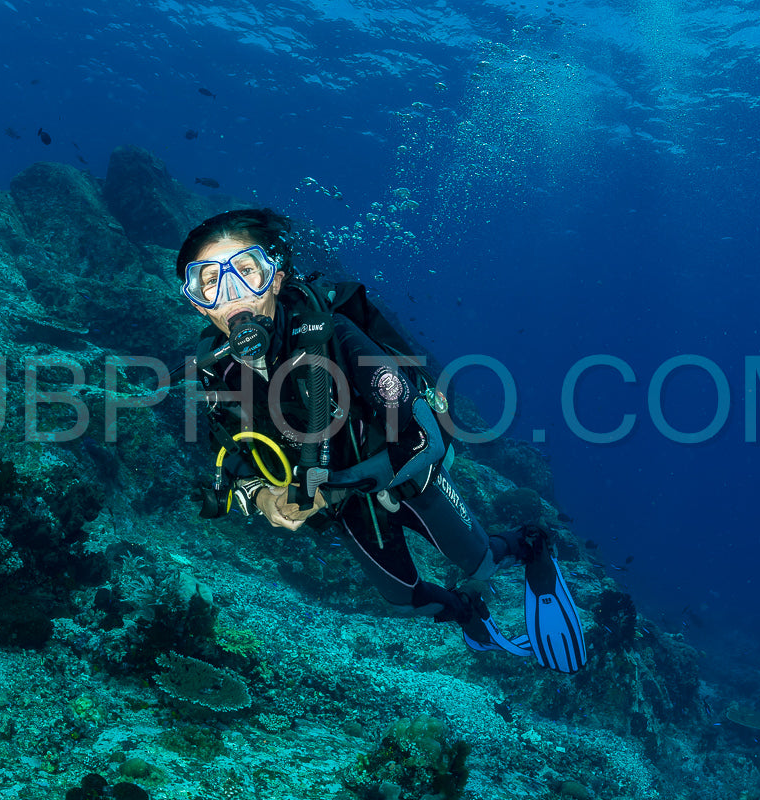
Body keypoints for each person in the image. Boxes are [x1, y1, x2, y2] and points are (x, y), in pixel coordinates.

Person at [175, 208, 587, 674]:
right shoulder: (215, 368)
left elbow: (422, 438)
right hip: (346, 505)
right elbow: (233, 455)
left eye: (246, 271)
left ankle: (531, 543)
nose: (233, 295)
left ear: (275, 277)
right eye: (209, 281)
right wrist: (262, 496)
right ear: (196, 302)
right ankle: (465, 611)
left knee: (481, 562)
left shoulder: (335, 336)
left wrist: (329, 488)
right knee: (405, 602)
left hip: (406, 475)